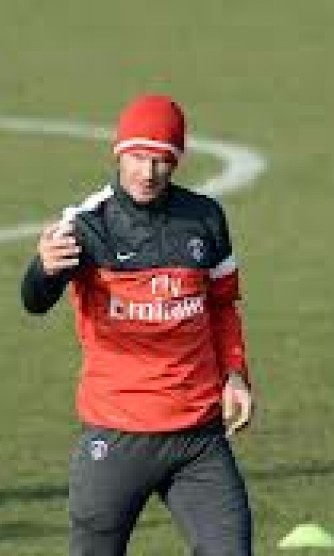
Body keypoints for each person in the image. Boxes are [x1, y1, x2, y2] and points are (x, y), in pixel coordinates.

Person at [20, 94, 254, 555]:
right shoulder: (87, 225)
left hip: (198, 440)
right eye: (138, 157)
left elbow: (223, 305)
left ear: (177, 161)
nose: (148, 173)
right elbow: (34, 301)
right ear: (119, 153)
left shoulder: (205, 218)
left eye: (161, 160)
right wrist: (43, 269)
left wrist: (234, 373)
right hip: (116, 436)